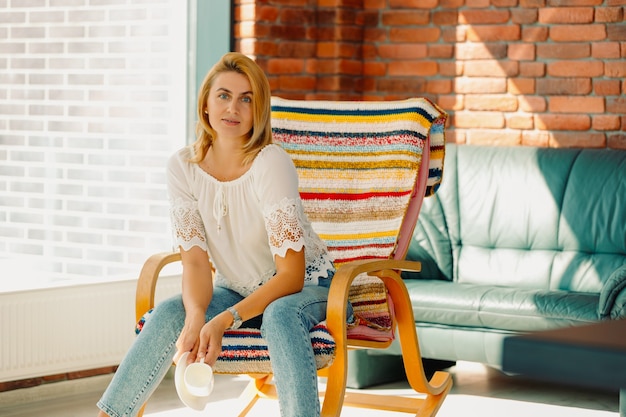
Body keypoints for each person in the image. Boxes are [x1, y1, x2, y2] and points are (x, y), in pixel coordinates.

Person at [96, 52, 340, 417]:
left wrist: (225, 319)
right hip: (237, 289)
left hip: (308, 288)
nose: (233, 108)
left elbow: (290, 276)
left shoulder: (270, 162)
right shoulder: (183, 167)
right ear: (206, 104)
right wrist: (196, 317)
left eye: (247, 99)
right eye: (224, 95)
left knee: (278, 316)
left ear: (258, 111)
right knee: (168, 312)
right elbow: (195, 260)